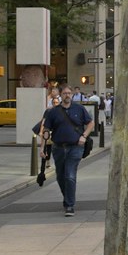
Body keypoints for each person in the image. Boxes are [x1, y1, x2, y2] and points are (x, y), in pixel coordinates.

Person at [39, 83, 94, 216]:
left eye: (69, 93)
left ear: (72, 94)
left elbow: (90, 123)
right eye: (64, 93)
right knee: (60, 176)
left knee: (69, 175)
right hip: (58, 148)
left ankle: (69, 205)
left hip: (75, 147)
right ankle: (67, 198)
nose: (67, 95)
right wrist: (42, 148)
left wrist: (84, 136)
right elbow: (46, 131)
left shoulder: (79, 109)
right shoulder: (53, 112)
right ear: (60, 95)